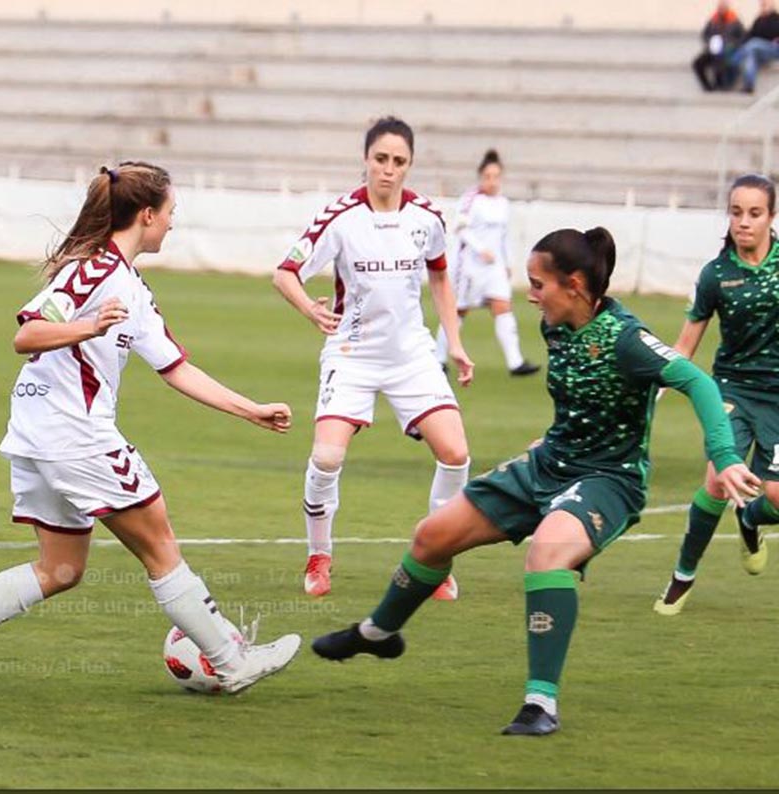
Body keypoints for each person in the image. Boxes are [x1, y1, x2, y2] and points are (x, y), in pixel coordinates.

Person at [311, 226, 759, 736]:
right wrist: (540, 447)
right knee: (432, 535)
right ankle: (378, 632)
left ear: (572, 284)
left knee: (546, 553)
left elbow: (696, 381)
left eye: (537, 283)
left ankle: (540, 704)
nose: (529, 294)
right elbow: (576, 409)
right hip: (549, 464)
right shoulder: (556, 326)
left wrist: (723, 456)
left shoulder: (627, 339)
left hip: (608, 480)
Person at [0, 162, 301, 697]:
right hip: (74, 435)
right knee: (160, 545)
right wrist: (89, 325)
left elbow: (175, 367)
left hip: (42, 432)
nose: (172, 225)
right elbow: (28, 335)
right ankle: (231, 661)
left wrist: (248, 408)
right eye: (170, 214)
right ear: (146, 214)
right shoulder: (93, 271)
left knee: (61, 568)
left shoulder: (130, 284)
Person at [273, 116, 473, 599]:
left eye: (399, 161)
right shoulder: (339, 217)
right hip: (353, 352)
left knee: (456, 453)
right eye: (380, 159)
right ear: (366, 159)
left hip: (411, 355)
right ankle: (319, 556)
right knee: (326, 456)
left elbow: (442, 278)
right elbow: (285, 273)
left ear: (410, 165)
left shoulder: (427, 217)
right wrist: (310, 311)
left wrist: (456, 342)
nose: (388, 170)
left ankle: (434, 556)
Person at [655, 174, 779, 615]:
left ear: (771, 216)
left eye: (755, 213)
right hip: (733, 390)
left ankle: (750, 518)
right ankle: (683, 575)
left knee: (775, 499)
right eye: (736, 212)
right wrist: (654, 388)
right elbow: (685, 346)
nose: (744, 222)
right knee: (717, 477)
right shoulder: (715, 274)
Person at [435, 149, 539, 377]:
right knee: (458, 311)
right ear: (481, 177)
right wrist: (480, 250)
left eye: (496, 177)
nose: (492, 181)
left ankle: (516, 363)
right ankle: (438, 359)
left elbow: (504, 236)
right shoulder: (471, 200)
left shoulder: (503, 203)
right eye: (487, 176)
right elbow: (460, 228)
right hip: (470, 267)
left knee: (503, 307)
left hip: (494, 268)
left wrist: (507, 262)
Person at [693, 2, 746, 91]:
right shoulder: (713, 20)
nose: (721, 9)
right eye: (719, 7)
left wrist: (733, 44)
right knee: (697, 63)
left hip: (727, 50)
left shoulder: (735, 21)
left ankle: (721, 84)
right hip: (712, 50)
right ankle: (707, 86)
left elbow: (743, 36)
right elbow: (705, 34)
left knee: (721, 60)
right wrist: (709, 42)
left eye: (723, 7)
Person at [730, 0, 779, 92]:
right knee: (751, 55)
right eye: (762, 4)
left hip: (774, 49)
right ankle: (749, 86)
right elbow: (749, 35)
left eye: (765, 4)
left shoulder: (776, 18)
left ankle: (734, 59)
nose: (763, 6)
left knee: (754, 43)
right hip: (759, 51)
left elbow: (771, 34)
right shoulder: (759, 20)